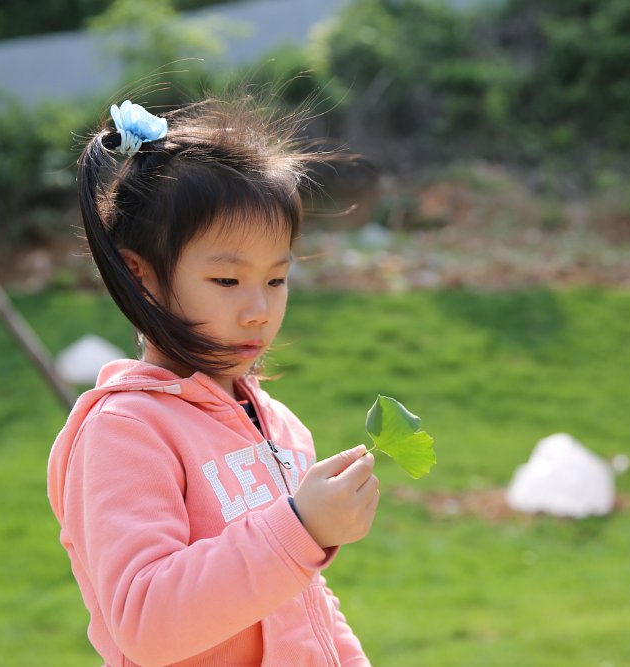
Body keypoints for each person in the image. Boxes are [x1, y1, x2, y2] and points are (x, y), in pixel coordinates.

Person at [46, 96, 380, 667]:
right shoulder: (125, 433)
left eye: (276, 280)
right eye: (227, 280)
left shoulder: (279, 425)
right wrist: (299, 529)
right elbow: (145, 622)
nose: (258, 311)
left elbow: (304, 604)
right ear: (141, 277)